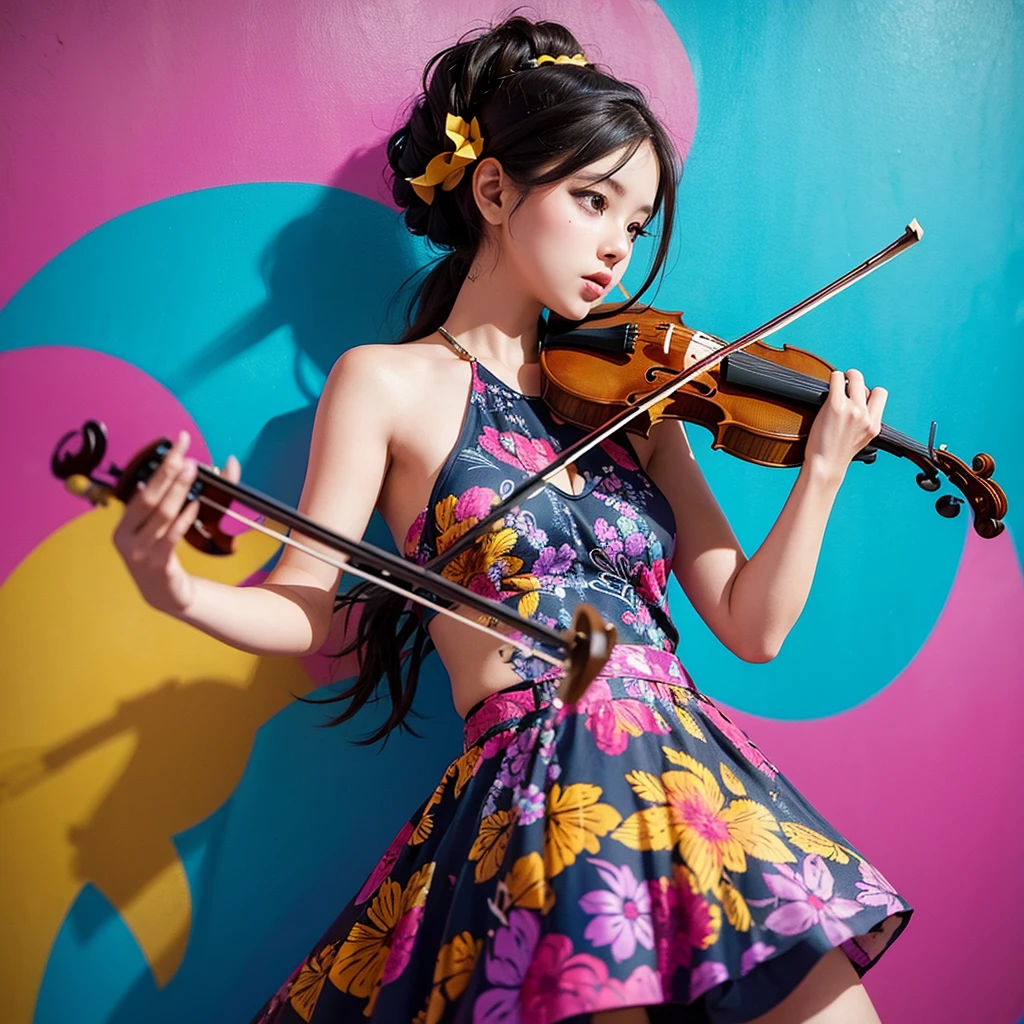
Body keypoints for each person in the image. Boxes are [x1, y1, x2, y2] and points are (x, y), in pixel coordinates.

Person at [113, 16, 911, 1024]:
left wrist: (823, 471)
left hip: (688, 769)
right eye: (591, 200)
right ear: (493, 191)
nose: (617, 244)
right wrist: (179, 587)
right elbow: (307, 608)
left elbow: (751, 627)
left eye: (636, 219)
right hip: (547, 786)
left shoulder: (638, 404)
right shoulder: (385, 385)